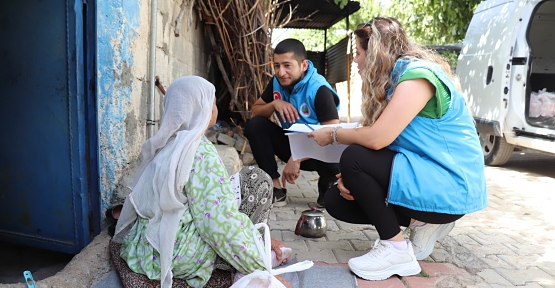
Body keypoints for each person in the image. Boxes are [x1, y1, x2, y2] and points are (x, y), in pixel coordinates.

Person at [307, 17, 487, 281]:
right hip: (425, 174)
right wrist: (356, 182)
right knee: (336, 200)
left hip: (451, 184)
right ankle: (420, 223)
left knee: (354, 156)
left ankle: (396, 250)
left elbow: (378, 139)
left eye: (358, 53)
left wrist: (334, 134)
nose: (355, 60)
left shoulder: (417, 76)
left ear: (376, 52)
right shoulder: (394, 82)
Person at [112, 76, 292, 288]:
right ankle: (241, 270)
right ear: (203, 110)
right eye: (213, 103)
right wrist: (261, 268)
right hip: (180, 256)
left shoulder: (164, 144)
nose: (215, 109)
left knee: (229, 192)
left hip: (147, 250)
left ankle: (254, 247)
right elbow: (217, 224)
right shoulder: (201, 152)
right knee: (256, 181)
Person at [245, 38, 341, 208]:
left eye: (287, 65)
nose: (281, 72)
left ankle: (328, 187)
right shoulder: (277, 83)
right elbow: (255, 111)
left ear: (303, 65)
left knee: (333, 141)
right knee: (255, 125)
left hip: (319, 153)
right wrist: (274, 104)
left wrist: (296, 157)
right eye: (277, 66)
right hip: (291, 145)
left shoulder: (320, 89)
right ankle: (275, 189)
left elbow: (333, 133)